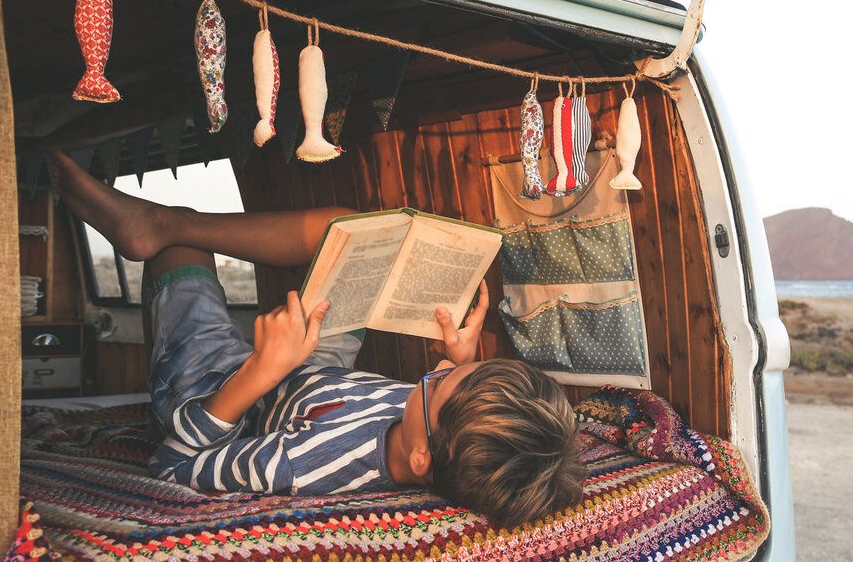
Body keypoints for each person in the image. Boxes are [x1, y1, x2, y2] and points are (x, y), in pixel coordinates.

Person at [49, 150, 584, 527]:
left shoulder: (312, 463)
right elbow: (445, 398)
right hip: (319, 371)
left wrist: (262, 369)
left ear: (421, 459)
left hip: (224, 390)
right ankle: (163, 222)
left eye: (439, 384)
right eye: (453, 369)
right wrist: (463, 362)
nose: (435, 369)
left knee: (181, 248)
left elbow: (170, 466)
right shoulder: (443, 431)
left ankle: (159, 227)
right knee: (353, 230)